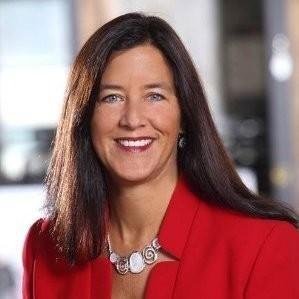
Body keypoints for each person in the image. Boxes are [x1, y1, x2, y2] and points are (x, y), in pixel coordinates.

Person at [22, 12, 299, 299]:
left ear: (184, 116)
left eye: (154, 95)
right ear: (84, 118)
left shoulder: (266, 245)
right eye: (111, 97)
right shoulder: (44, 248)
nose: (132, 119)